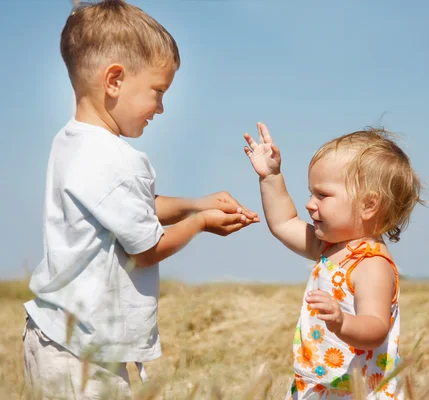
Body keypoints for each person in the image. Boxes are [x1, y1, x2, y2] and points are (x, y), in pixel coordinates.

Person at [22, 1, 258, 398]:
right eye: (158, 92)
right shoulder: (117, 160)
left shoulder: (72, 141)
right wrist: (200, 224)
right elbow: (146, 248)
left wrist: (196, 204)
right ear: (114, 80)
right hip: (83, 353)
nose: (161, 108)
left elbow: (130, 210)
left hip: (54, 337)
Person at [243, 122, 423, 399]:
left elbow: (375, 326)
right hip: (320, 384)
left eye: (322, 195)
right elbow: (284, 222)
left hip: (358, 391)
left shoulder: (371, 264)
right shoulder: (328, 248)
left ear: (368, 205)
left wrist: (342, 322)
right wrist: (270, 177)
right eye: (311, 192)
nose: (309, 203)